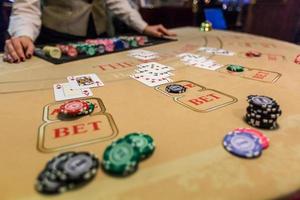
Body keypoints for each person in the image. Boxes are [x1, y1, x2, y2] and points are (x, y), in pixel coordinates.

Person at [3, 0, 176, 63]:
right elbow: (26, 9)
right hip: (57, 35)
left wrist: (144, 27)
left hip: (99, 33)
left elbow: (118, 2)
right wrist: (23, 35)